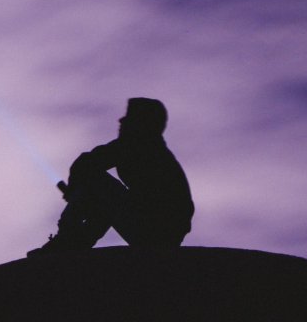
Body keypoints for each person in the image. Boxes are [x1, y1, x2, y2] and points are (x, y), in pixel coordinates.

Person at [28, 97, 194, 256]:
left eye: (129, 118)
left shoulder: (139, 145)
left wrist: (75, 193)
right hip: (158, 229)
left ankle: (67, 240)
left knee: (95, 182)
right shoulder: (150, 148)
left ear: (142, 123)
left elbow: (86, 163)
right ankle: (74, 242)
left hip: (156, 231)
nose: (121, 121)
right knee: (103, 196)